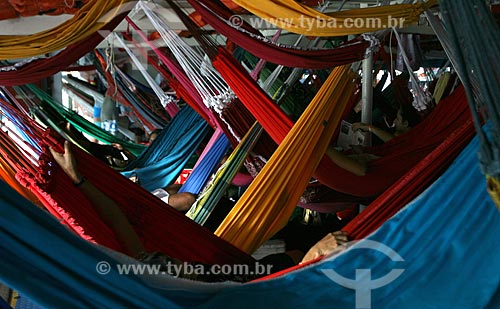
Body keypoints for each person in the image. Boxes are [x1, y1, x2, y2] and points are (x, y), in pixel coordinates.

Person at [49, 141, 349, 282]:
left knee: (307, 248)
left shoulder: (142, 266)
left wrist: (79, 181)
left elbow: (116, 220)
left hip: (242, 269)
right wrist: (310, 261)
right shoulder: (156, 287)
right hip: (254, 285)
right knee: (317, 254)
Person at [326, 103, 421, 176]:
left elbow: (395, 142)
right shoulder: (402, 139)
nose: (395, 121)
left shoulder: (409, 143)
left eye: (398, 119)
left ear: (406, 124)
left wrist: (369, 128)